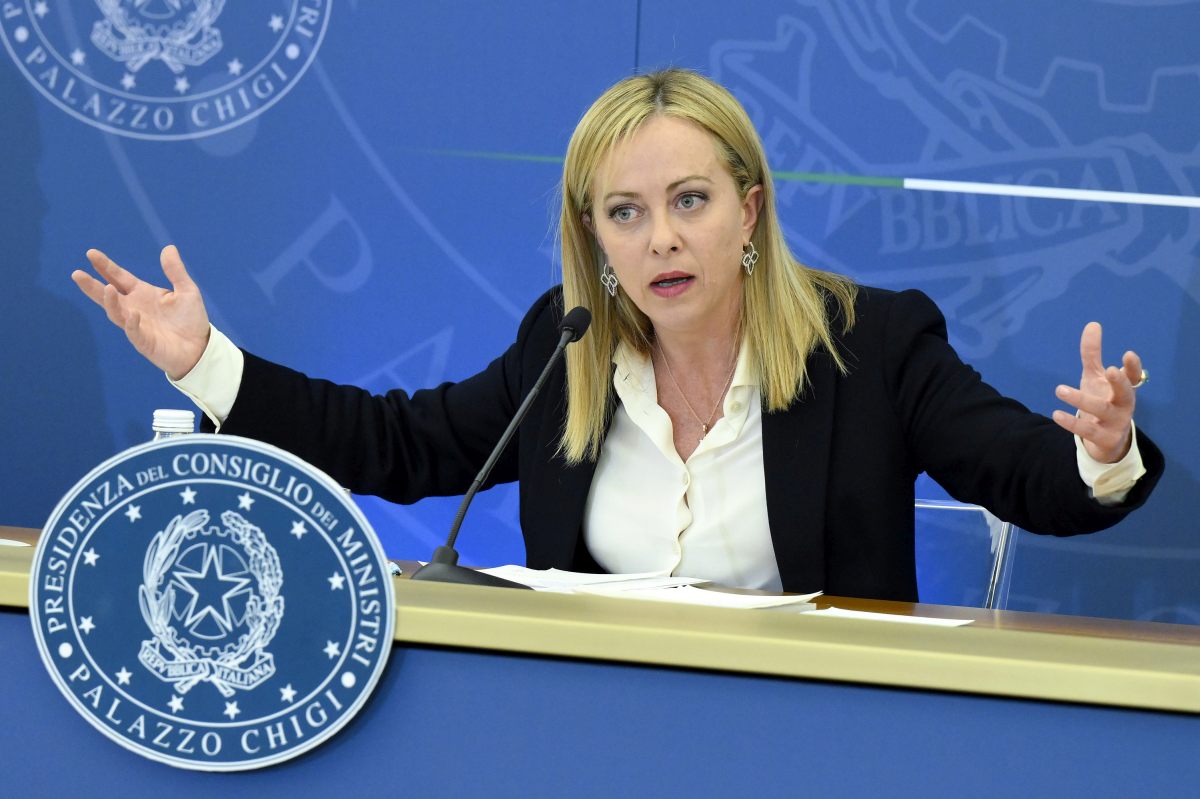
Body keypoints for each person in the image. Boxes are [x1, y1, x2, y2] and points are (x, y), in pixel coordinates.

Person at [72, 68, 1162, 601]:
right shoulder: (567, 350)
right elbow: (397, 445)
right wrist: (203, 363)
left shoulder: (867, 344)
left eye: (690, 200)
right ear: (593, 235)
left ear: (750, 210)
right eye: (626, 213)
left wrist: (1101, 449)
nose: (661, 239)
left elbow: (1024, 474)